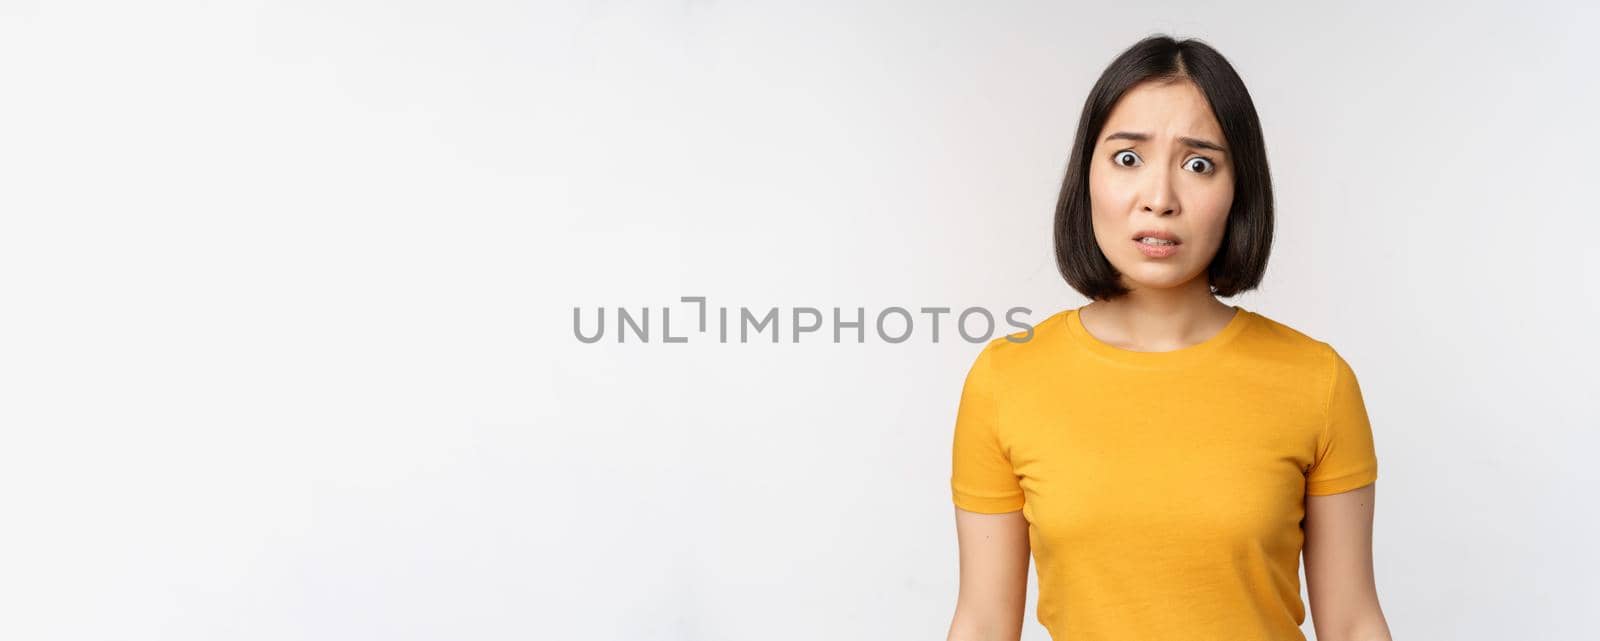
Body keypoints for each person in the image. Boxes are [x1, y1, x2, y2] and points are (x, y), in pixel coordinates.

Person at [946, 35, 1393, 641]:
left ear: (1239, 191)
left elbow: (1353, 623)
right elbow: (982, 623)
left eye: (1198, 163)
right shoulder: (1007, 379)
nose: (1159, 200)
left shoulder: (1317, 381)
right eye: (1128, 159)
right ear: (1088, 176)